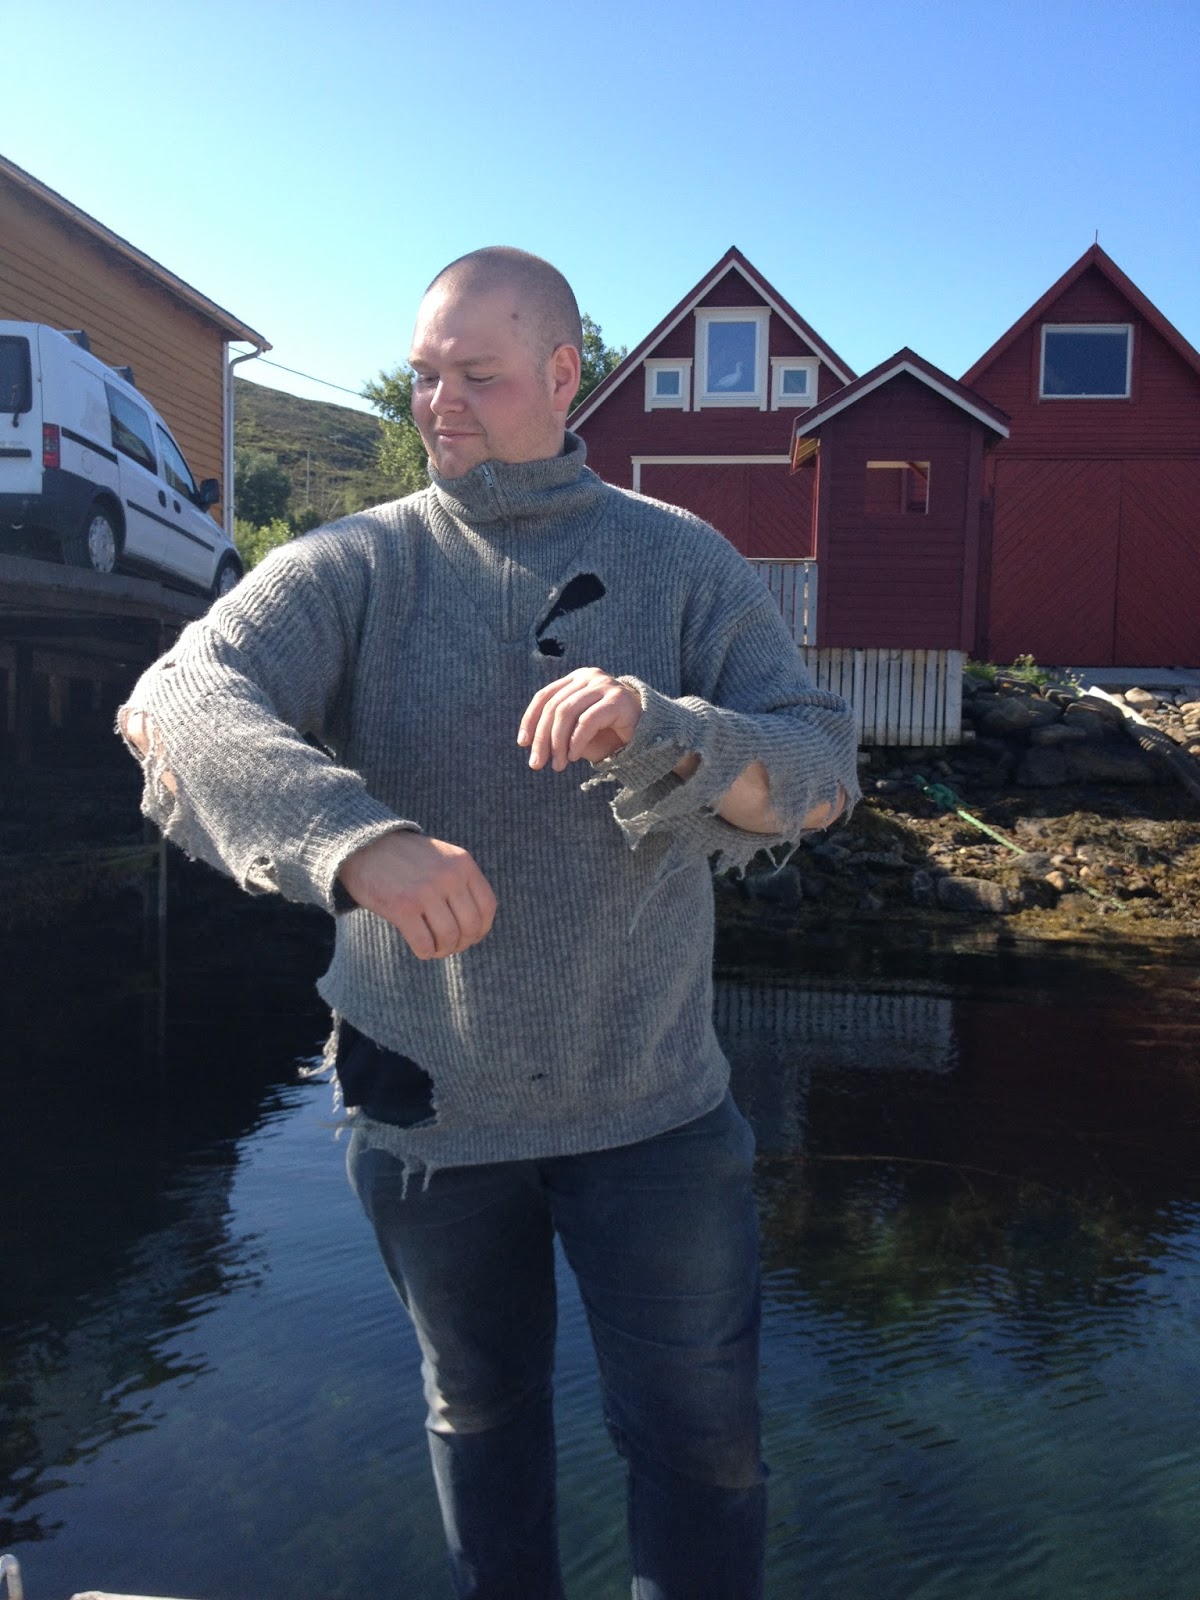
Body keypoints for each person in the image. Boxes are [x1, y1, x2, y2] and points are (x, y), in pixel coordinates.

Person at [120, 246, 859, 1600]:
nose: (438, 404)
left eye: (479, 374)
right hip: (427, 1111)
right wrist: (356, 840)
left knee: (703, 1446)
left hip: (652, 1106)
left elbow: (819, 772)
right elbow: (174, 700)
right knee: (479, 1416)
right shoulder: (356, 563)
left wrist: (670, 729)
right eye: (422, 375)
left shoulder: (681, 558)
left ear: (565, 373)